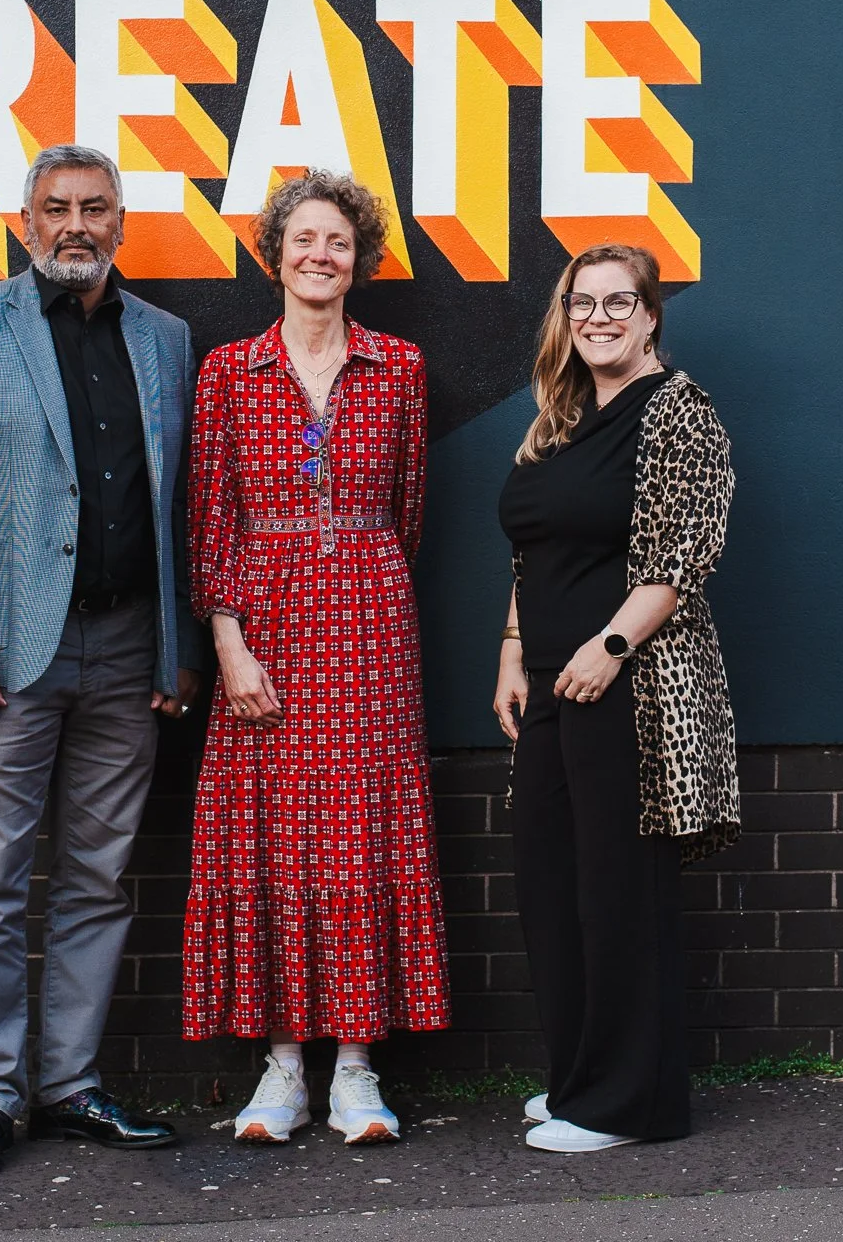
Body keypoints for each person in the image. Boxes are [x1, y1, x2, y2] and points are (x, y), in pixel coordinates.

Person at [0, 144, 204, 1184]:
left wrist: (177, 644)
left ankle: (69, 1084)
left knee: (98, 877)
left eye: (97, 207)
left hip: (128, 650)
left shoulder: (166, 338)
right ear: (23, 223)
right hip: (4, 656)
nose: (77, 223)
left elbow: (186, 509)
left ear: (123, 220)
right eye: (56, 207)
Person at [183, 170, 449, 1144]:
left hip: (373, 635)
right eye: (303, 238)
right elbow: (210, 519)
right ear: (275, 251)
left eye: (337, 239)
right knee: (276, 842)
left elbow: (409, 509)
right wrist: (228, 643)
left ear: (359, 257)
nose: (319, 254)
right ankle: (282, 1067)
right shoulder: (228, 372)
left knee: (364, 840)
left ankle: (357, 1068)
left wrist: (356, 574)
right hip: (264, 639)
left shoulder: (400, 368)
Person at [494, 244, 739, 1155]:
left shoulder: (679, 414)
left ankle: (626, 1106)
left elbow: (682, 557)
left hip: (627, 690)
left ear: (648, 316)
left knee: (617, 896)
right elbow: (533, 554)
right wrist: (512, 652)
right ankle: (577, 1083)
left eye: (617, 302)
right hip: (553, 686)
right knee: (552, 887)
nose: (598, 317)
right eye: (581, 302)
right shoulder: (559, 418)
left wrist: (607, 647)